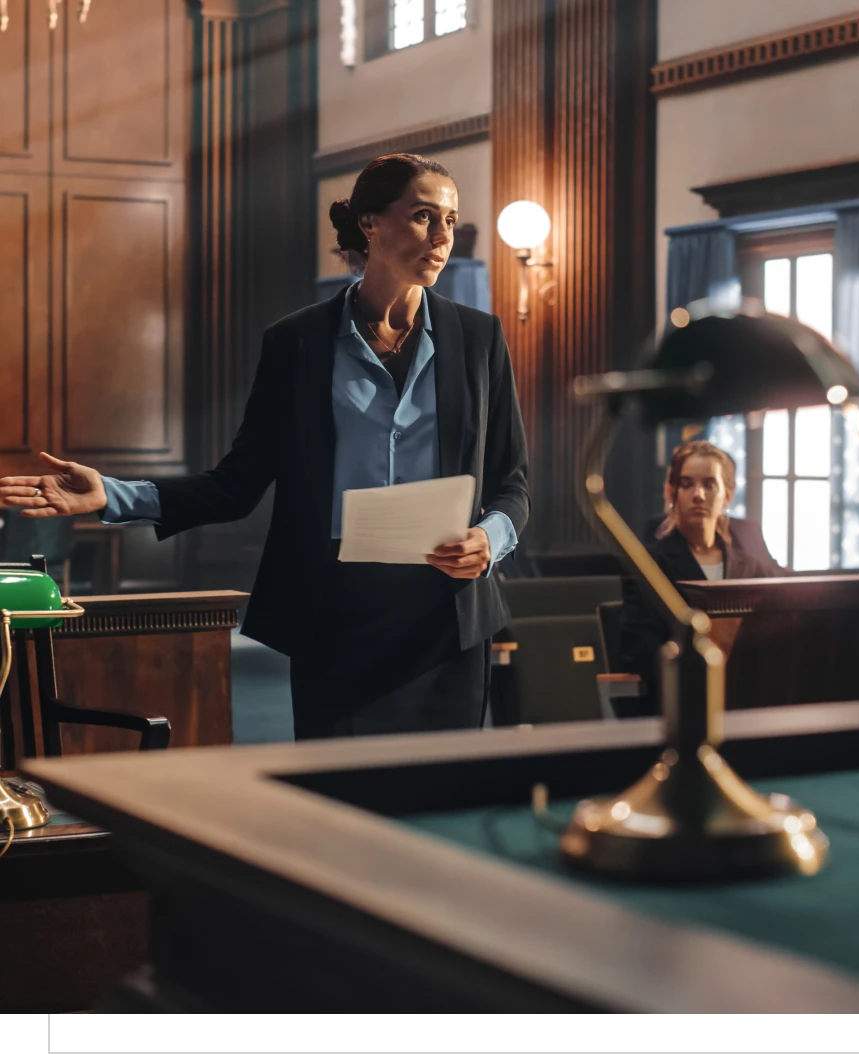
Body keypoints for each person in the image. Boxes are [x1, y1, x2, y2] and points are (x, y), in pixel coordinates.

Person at [0, 154, 529, 739]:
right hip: (336, 617)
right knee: (336, 790)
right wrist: (112, 495)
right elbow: (237, 484)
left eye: (449, 220)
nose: (442, 237)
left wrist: (490, 539)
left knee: (443, 790)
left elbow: (513, 483)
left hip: (447, 621)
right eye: (423, 216)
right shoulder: (297, 343)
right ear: (370, 223)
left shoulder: (479, 338)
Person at [618, 441, 774, 707]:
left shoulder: (751, 567)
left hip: (746, 699)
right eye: (687, 484)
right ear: (671, 492)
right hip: (679, 701)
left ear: (727, 495)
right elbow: (641, 652)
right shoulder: (647, 565)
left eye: (709, 484)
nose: (698, 495)